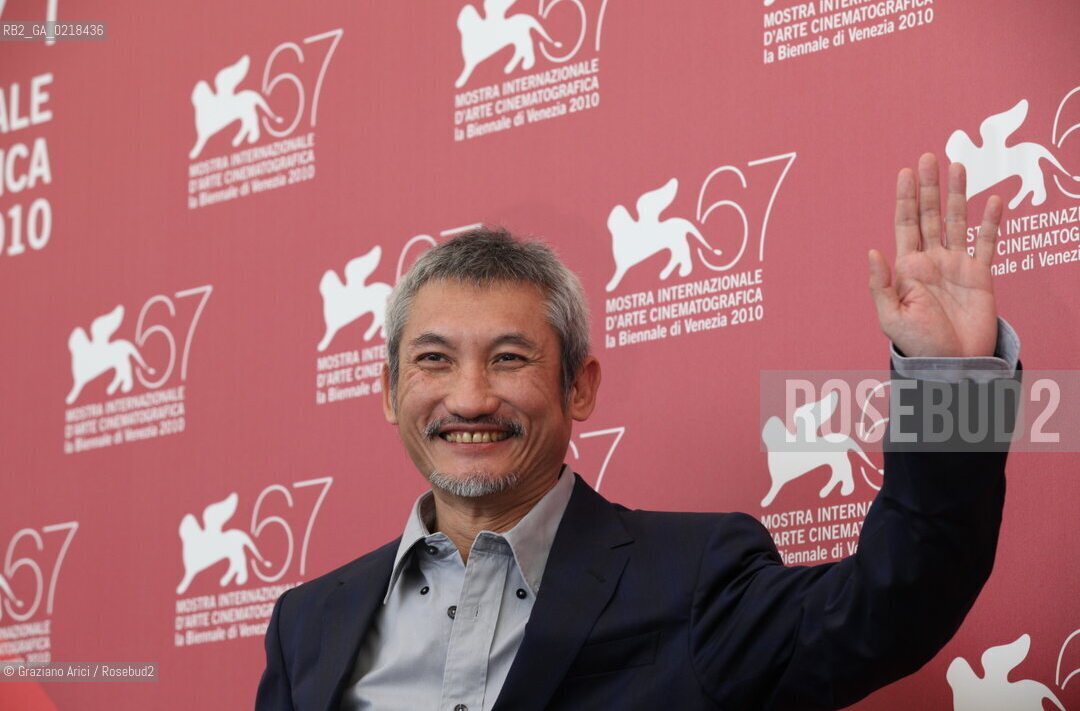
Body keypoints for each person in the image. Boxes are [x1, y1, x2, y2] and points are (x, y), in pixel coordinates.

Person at [255, 154, 1020, 710]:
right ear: (391, 392)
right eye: (433, 361)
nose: (470, 396)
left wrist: (951, 380)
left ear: (579, 387)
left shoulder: (692, 580)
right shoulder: (308, 625)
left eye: (510, 358)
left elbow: (901, 599)